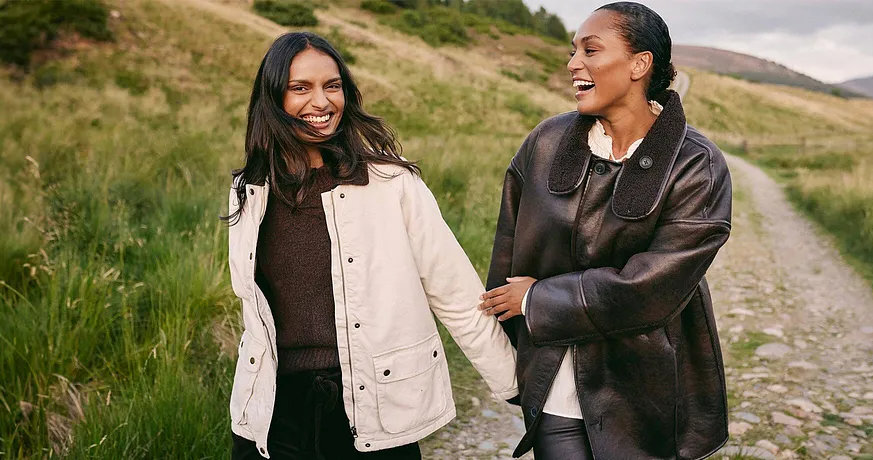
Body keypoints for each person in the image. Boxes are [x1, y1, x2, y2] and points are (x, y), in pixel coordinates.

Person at [224, 32, 517, 460]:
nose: (321, 103)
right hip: (272, 409)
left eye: (332, 85)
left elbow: (455, 294)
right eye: (300, 88)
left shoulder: (391, 183)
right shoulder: (249, 190)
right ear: (273, 98)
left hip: (373, 404)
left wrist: (514, 386)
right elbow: (251, 306)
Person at [480, 3, 732, 459]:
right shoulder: (545, 142)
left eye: (591, 50)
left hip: (647, 392)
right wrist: (507, 353)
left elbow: (652, 288)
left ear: (640, 64)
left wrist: (538, 299)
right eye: (574, 51)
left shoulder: (698, 165)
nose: (573, 63)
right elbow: (509, 250)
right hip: (555, 382)